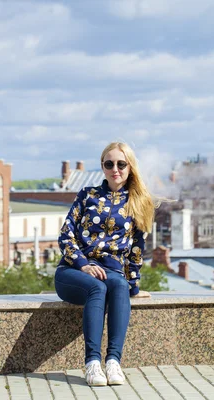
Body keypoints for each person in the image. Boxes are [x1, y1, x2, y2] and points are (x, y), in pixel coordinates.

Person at [54, 141, 155, 387]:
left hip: (111, 271)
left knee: (119, 286)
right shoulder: (87, 195)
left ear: (130, 167)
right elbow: (66, 235)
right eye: (109, 164)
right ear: (102, 166)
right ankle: (92, 364)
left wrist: (134, 287)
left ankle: (113, 362)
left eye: (121, 164)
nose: (115, 169)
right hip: (72, 270)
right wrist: (83, 265)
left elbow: (136, 251)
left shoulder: (138, 202)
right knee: (96, 287)